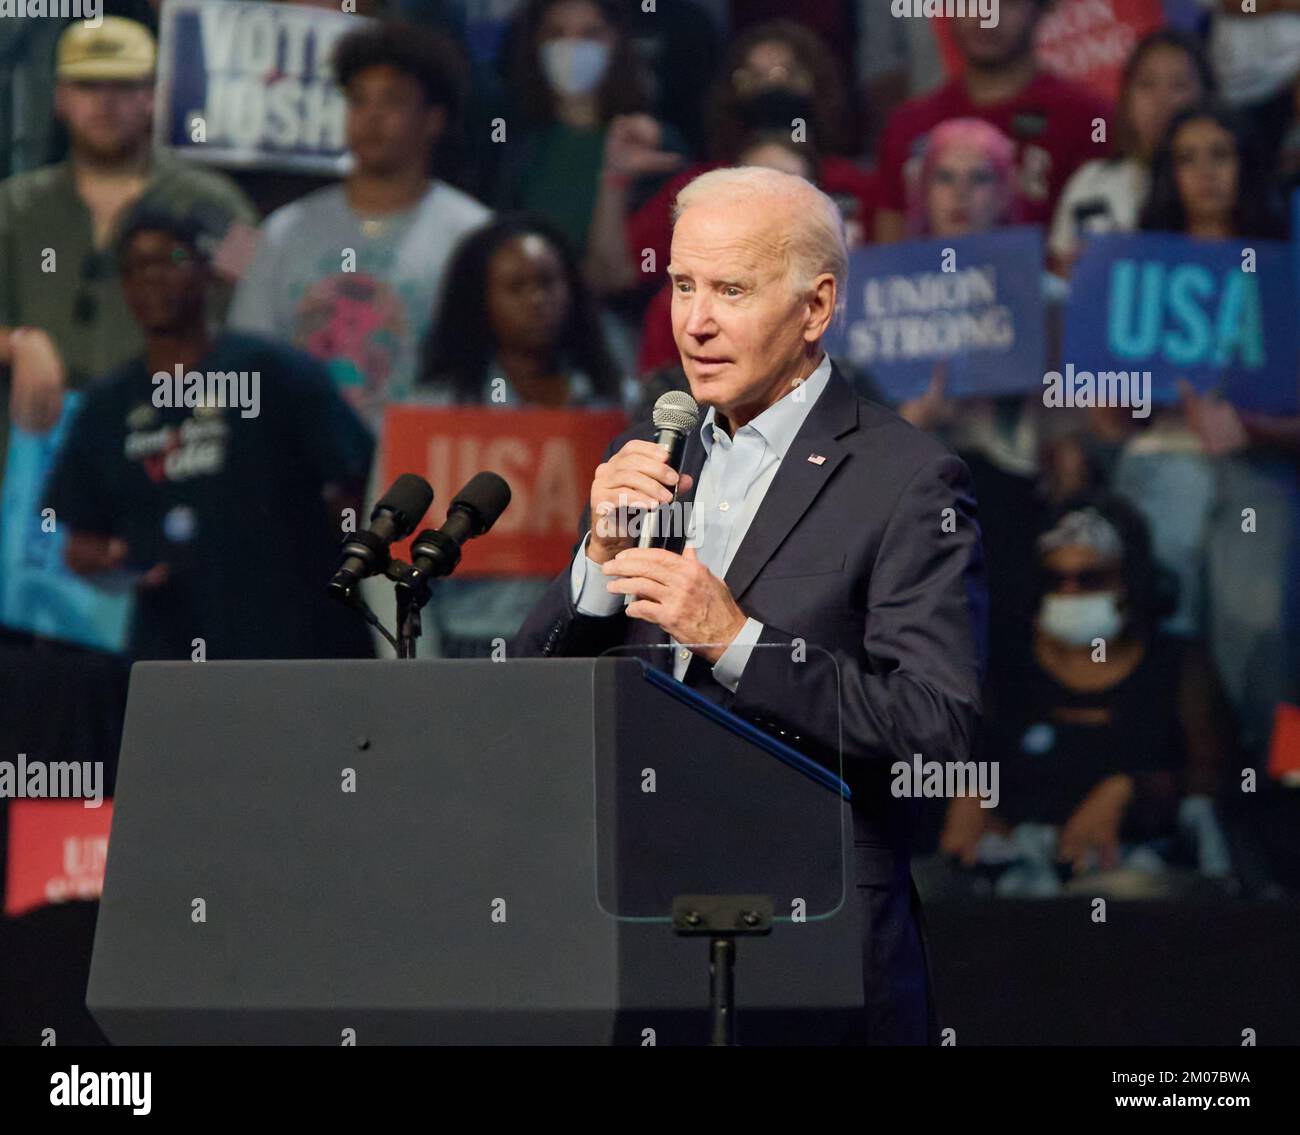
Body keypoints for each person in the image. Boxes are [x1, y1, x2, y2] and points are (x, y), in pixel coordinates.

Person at [512, 167, 988, 1045]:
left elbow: (935, 731)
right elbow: (524, 701)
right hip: (634, 928)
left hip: (815, 937)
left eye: (730, 289)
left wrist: (735, 639)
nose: (695, 321)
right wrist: (594, 565)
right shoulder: (651, 445)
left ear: (817, 307)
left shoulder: (909, 479)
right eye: (684, 285)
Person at [43, 208, 375, 663]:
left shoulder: (275, 371)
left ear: (206, 271)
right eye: (135, 267)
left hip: (294, 639)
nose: (152, 277)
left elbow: (357, 479)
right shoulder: (107, 405)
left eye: (170, 259)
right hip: (170, 648)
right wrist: (115, 564)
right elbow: (80, 543)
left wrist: (338, 567)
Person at [0, 16, 256, 487]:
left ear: (154, 96)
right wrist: (17, 343)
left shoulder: (215, 204)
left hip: (174, 455)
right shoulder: (13, 206)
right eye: (88, 85)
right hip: (33, 460)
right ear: (59, 98)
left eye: (125, 85)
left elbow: (264, 314)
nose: (106, 102)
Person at [938, 499, 1236, 899]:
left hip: (1137, 870)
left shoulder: (1177, 665)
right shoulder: (1006, 666)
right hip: (1011, 873)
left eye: (1090, 579)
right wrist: (965, 789)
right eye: (1055, 579)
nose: (1070, 592)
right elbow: (960, 747)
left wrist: (1132, 790)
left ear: (1132, 580)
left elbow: (1221, 778)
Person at [228, 21, 490, 428]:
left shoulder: (473, 236)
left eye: (393, 101)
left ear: (433, 120)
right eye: (358, 101)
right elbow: (248, 359)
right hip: (306, 470)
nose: (372, 117)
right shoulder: (286, 231)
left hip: (426, 469)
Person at [416, 212, 632, 656]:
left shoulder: (620, 408)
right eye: (516, 287)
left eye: (549, 283)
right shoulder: (433, 413)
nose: (537, 299)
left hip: (584, 639)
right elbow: (400, 556)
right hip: (466, 643)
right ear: (480, 301)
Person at [584, 19, 875, 298]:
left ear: (816, 86)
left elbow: (894, 271)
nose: (771, 87)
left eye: (787, 74)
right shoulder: (699, 190)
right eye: (753, 77)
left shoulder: (854, 184)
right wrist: (615, 177)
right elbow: (613, 276)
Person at [874, 0, 1110, 242]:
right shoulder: (907, 125)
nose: (986, 17)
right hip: (931, 278)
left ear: (1042, 9)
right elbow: (888, 258)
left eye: (1007, 4)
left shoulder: (1089, 120)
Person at [490, 0, 689, 257]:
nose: (572, 47)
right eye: (556, 34)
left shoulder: (651, 142)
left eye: (590, 33)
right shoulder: (520, 151)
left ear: (617, 42)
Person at [1049, 28, 1214, 276]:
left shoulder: (1220, 180)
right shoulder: (1091, 181)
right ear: (1126, 98)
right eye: (1146, 85)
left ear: (1206, 95)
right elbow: (1058, 276)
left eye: (1179, 85)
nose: (1162, 100)